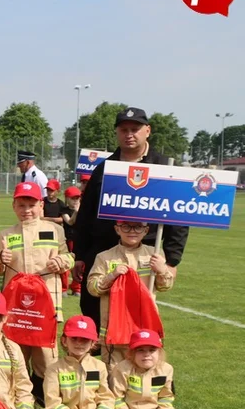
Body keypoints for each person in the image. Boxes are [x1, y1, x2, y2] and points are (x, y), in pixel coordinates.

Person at [73, 107, 188, 325]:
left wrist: (172, 260)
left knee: (138, 314)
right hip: (103, 249)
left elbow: (178, 219)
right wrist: (80, 254)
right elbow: (85, 215)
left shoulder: (164, 167)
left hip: (145, 249)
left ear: (147, 130)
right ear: (116, 132)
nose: (129, 134)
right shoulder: (104, 168)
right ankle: (98, 356)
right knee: (93, 310)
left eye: (135, 129)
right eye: (124, 129)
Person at [0, 182, 73, 406]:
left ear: (41, 205)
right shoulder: (6, 234)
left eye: (32, 205)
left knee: (46, 360)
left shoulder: (55, 230)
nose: (27, 210)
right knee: (14, 358)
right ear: (14, 207)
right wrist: (0, 260)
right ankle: (15, 407)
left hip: (46, 308)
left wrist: (60, 261)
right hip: (15, 309)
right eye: (21, 205)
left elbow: (70, 257)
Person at [84, 220, 174, 372]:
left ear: (146, 230)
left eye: (138, 227)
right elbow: (92, 289)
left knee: (144, 370)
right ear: (117, 229)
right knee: (114, 372)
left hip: (144, 326)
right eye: (126, 226)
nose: (132, 231)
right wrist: (111, 276)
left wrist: (162, 269)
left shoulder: (155, 254)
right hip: (115, 330)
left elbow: (165, 286)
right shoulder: (104, 257)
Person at [42, 315, 119, 409]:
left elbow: (106, 399)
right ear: (64, 341)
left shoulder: (99, 367)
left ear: (93, 343)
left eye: (84, 339)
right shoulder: (54, 369)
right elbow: (53, 404)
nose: (79, 343)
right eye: (74, 338)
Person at [109, 329, 177, 409]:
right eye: (140, 350)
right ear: (131, 353)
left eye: (152, 350)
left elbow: (166, 398)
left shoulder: (166, 369)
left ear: (160, 352)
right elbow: (116, 399)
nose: (147, 355)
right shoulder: (122, 369)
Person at [62, 185, 83, 295]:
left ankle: (77, 287)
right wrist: (76, 212)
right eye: (73, 198)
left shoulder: (83, 208)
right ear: (67, 199)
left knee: (80, 263)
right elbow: (70, 222)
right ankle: (64, 288)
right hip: (69, 240)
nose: (75, 201)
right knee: (68, 263)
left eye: (77, 198)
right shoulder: (65, 210)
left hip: (80, 239)